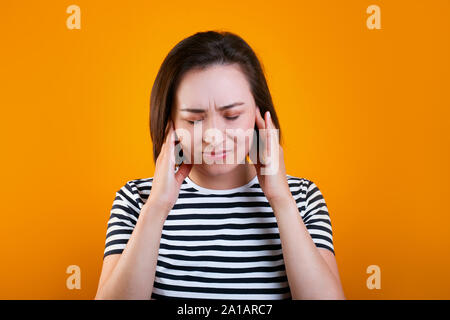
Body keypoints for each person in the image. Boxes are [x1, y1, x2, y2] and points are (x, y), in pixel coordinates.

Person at [94, 30, 345, 300]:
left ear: (261, 116)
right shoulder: (136, 199)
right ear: (171, 124)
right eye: (194, 120)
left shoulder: (303, 198)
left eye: (232, 115)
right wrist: (157, 206)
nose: (213, 135)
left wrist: (280, 199)